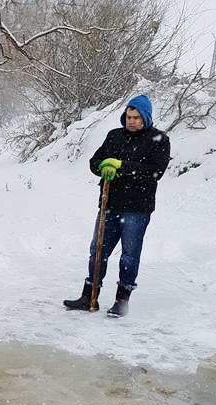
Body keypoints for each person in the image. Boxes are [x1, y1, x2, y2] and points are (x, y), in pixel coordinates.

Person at [62, 95, 171, 317]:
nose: (131, 121)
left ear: (146, 118)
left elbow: (155, 171)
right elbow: (94, 162)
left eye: (136, 117)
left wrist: (122, 166)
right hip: (109, 204)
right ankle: (89, 296)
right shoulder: (115, 136)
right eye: (129, 117)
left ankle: (122, 300)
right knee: (98, 250)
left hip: (137, 208)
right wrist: (103, 166)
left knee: (129, 255)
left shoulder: (159, 139)